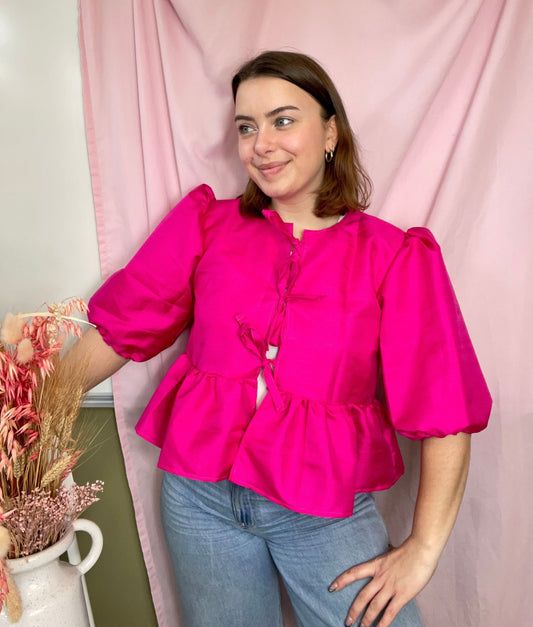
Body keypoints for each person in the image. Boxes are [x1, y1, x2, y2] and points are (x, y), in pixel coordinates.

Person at [69, 51, 491, 626]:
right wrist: (31, 406)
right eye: (247, 127)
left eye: (283, 121)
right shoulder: (206, 225)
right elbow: (122, 329)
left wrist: (423, 550)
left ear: (330, 133)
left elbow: (446, 409)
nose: (261, 145)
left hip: (323, 512)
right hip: (199, 499)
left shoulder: (393, 256)